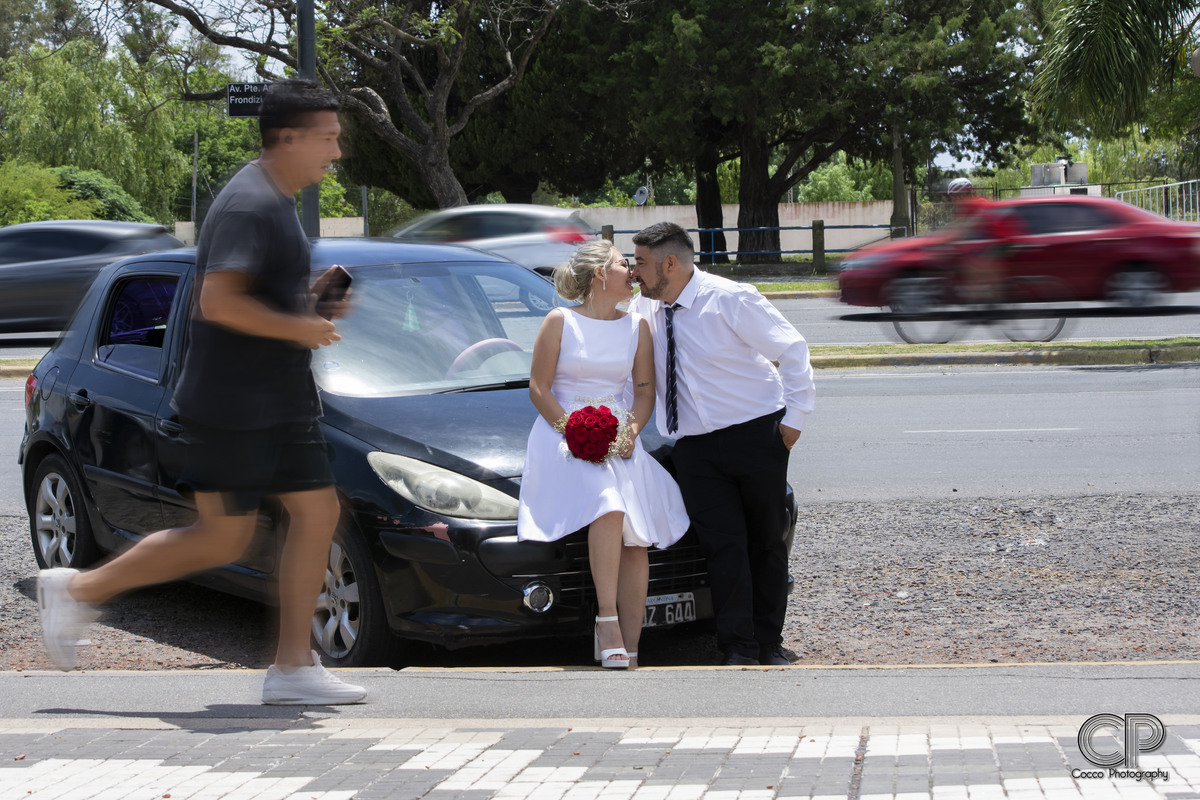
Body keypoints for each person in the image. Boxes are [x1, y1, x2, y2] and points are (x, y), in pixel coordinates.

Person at [35, 79, 367, 705]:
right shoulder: (250, 203)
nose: (337, 152)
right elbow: (218, 301)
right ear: (288, 137)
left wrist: (304, 302)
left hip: (278, 400)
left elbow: (249, 297)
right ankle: (75, 592)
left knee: (318, 512)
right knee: (223, 536)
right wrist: (300, 324)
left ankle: (294, 666)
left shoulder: (273, 199)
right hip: (234, 405)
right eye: (328, 138)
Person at [628, 222, 815, 667]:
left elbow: (791, 349)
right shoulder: (645, 309)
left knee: (764, 541)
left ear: (668, 263)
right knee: (722, 545)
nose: (635, 273)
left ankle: (769, 643)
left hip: (755, 433)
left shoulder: (730, 299)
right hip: (693, 447)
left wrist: (795, 420)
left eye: (640, 263)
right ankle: (737, 647)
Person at [518, 239, 689, 669]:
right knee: (610, 506)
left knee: (637, 534)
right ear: (599, 275)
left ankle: (630, 649)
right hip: (562, 436)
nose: (632, 272)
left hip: (615, 436)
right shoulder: (560, 322)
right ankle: (606, 621)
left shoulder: (637, 328)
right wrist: (572, 430)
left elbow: (645, 392)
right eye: (622, 265)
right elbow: (539, 389)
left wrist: (631, 431)